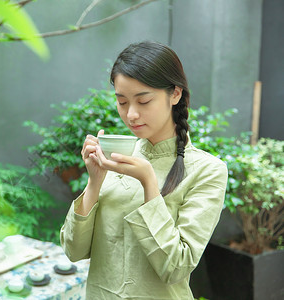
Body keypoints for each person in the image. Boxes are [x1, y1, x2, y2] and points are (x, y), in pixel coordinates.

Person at [60, 41, 228, 299]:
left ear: (175, 94)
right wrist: (94, 181)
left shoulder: (208, 171)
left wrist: (149, 183)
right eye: (123, 102)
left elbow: (176, 267)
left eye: (144, 100)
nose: (132, 115)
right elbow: (74, 251)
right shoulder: (117, 158)